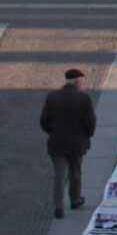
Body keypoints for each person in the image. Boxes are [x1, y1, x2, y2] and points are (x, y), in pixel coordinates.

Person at [40, 68, 97, 219]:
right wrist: (88, 135)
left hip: (57, 142)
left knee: (59, 174)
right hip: (77, 143)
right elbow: (90, 122)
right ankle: (75, 199)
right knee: (75, 172)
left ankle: (58, 205)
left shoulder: (52, 96)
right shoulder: (84, 98)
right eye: (81, 81)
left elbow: (44, 120)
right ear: (77, 82)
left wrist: (52, 132)